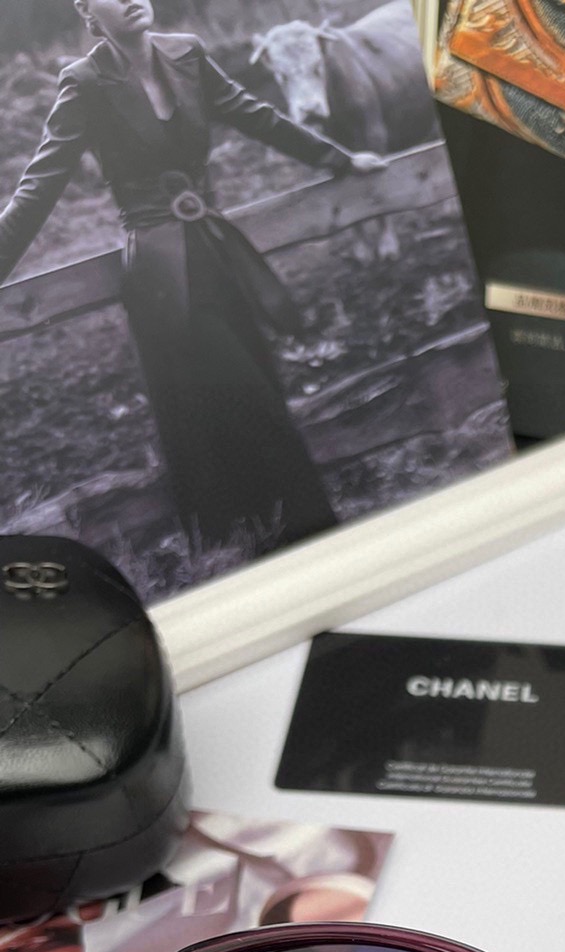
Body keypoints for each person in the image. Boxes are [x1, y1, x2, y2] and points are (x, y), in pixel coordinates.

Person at [0, 0, 388, 559]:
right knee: (249, 400)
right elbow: (37, 188)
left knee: (256, 389)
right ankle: (316, 537)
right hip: (162, 279)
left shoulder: (187, 53)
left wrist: (340, 160)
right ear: (87, 11)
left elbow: (256, 115)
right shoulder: (84, 83)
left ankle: (264, 538)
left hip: (216, 254)